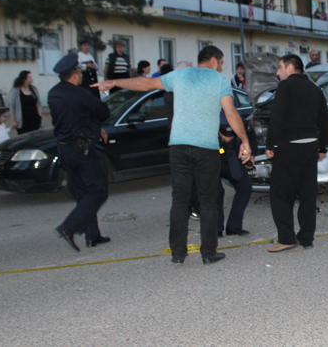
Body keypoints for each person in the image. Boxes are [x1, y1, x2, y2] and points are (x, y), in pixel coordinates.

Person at [94, 46, 252, 265]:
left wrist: (113, 83)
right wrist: (244, 140)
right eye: (222, 62)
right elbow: (230, 113)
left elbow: (145, 83)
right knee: (208, 202)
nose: (222, 67)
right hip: (205, 148)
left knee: (179, 200)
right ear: (214, 61)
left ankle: (178, 253)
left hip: (178, 147)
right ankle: (208, 253)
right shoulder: (219, 80)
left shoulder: (179, 75)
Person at [266, 54, 328, 252]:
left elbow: (277, 117)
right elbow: (325, 121)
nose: (278, 73)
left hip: (289, 147)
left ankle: (286, 238)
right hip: (310, 148)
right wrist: (323, 147)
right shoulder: (314, 88)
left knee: (280, 193)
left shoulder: (286, 87)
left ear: (290, 67)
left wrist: (270, 144)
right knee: (307, 194)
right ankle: (306, 237)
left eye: (279, 68)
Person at [49, 54, 111, 252]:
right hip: (82, 149)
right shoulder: (80, 93)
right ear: (75, 75)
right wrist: (102, 94)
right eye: (79, 73)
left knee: (83, 191)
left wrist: (94, 126)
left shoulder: (53, 94)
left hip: (64, 148)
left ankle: (92, 236)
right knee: (98, 190)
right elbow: (103, 112)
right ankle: (69, 226)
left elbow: (77, 117)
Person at [216, 111, 257, 237]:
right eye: (224, 135)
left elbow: (251, 136)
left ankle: (234, 226)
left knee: (244, 186)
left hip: (230, 156)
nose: (228, 138)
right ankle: (215, 228)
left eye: (231, 134)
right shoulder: (208, 122)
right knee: (215, 192)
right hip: (211, 158)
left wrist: (252, 154)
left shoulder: (241, 121)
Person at [8, 70, 42, 135]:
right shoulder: (15, 91)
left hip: (34, 119)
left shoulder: (34, 89)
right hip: (22, 120)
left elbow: (38, 104)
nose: (31, 79)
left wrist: (39, 117)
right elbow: (12, 106)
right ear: (24, 79)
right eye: (29, 77)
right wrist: (13, 120)